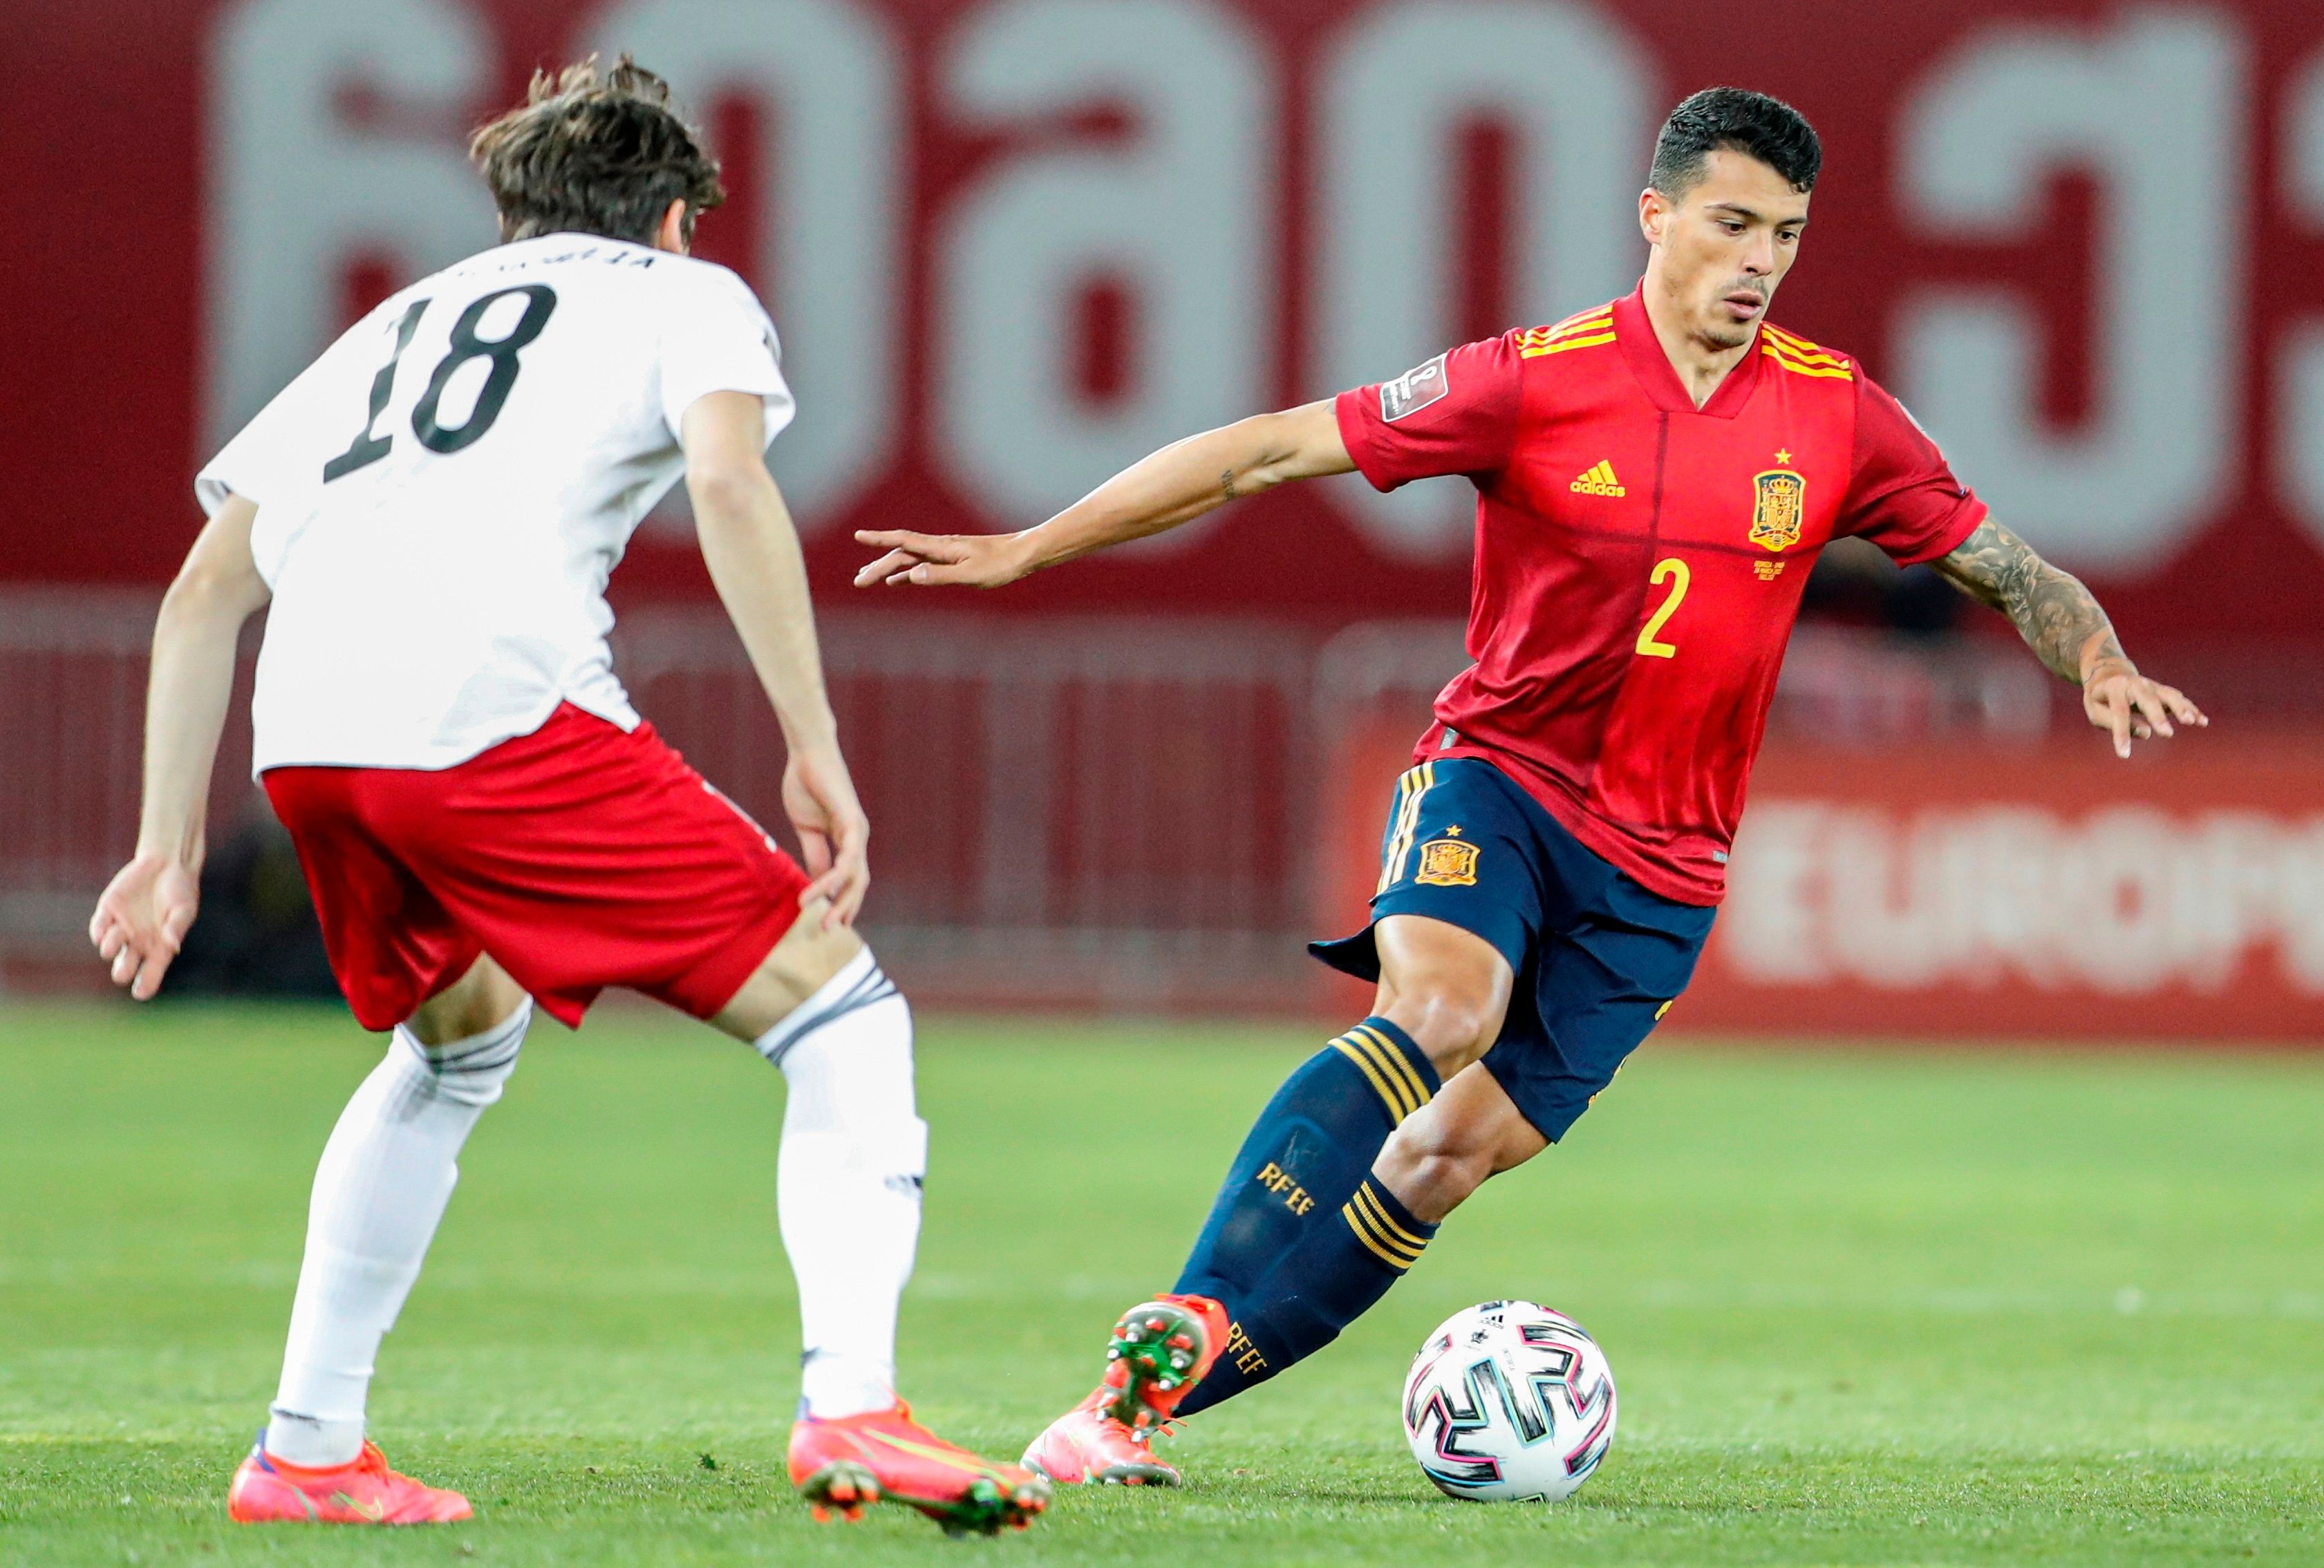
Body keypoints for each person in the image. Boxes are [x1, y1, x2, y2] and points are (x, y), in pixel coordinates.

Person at [853, 86, 2207, 1486]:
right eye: (1733, 224)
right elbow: (1264, 448)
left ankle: (1119, 1415)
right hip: (1501, 781)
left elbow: (2000, 561)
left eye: (1784, 237)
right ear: (1657, 215)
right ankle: (1183, 1312)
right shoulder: (1532, 377)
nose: (1756, 261)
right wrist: (1028, 549)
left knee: (1440, 1165)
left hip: (1665, 869)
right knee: (1439, 1011)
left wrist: (2094, 657)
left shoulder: (1833, 412)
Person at [87, 57, 1047, 1536]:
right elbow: (731, 486)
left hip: (316, 744)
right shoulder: (687, 298)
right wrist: (811, 739)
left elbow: (206, 589)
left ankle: (307, 1447)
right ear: (672, 218)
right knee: (843, 1012)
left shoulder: (394, 323)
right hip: (489, 723)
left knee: (460, 1043)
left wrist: (164, 850)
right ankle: (853, 1403)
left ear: (515, 209)